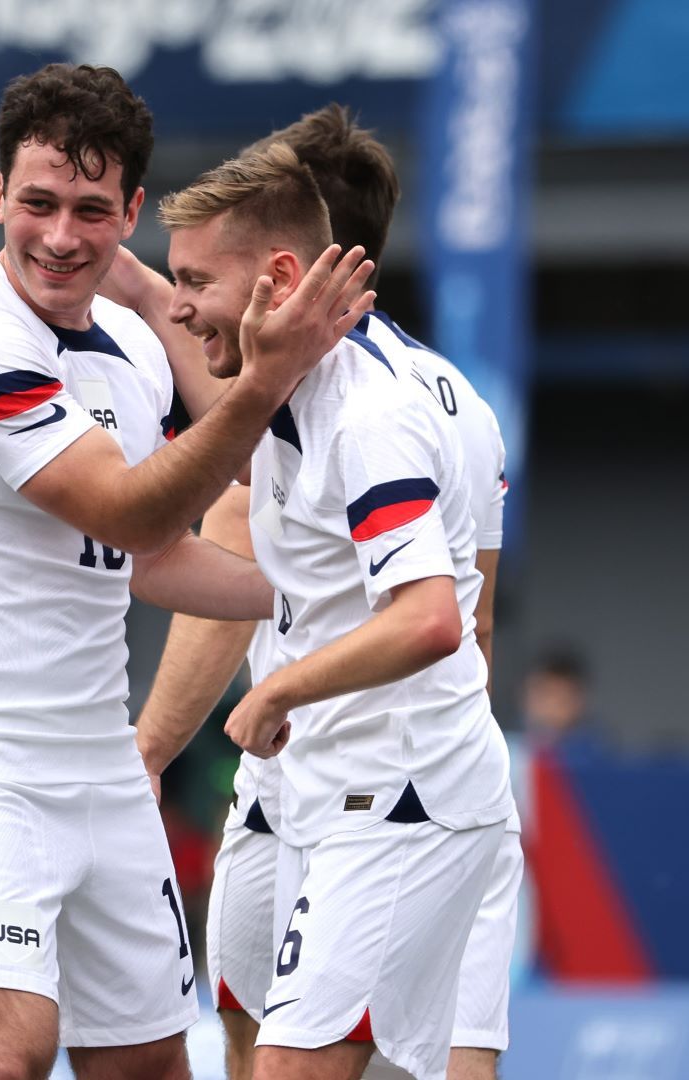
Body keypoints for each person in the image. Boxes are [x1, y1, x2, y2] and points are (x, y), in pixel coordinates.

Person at [0, 63, 374, 1080]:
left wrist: (331, 598)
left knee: (147, 1068)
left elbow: (155, 555)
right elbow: (132, 505)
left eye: (93, 211)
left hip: (101, 764)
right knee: (11, 1049)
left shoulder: (133, 351)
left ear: (132, 212)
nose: (61, 236)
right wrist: (265, 374)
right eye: (40, 203)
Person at [127, 105, 522, 1080]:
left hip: (398, 788)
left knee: (309, 1066)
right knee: (252, 1038)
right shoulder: (330, 395)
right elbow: (476, 613)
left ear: (286, 271)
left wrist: (279, 691)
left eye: (194, 280)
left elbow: (439, 622)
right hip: (300, 782)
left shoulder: (373, 418)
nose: (181, 304)